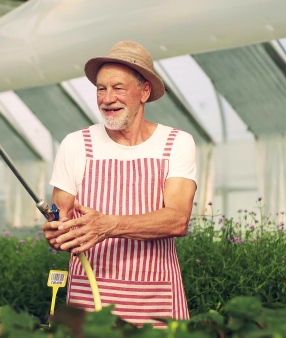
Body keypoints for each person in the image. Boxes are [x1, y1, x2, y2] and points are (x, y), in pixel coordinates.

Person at [42, 40, 197, 328]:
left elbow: (177, 219)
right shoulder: (76, 145)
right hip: (90, 301)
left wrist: (108, 225)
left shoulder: (175, 143)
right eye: (101, 88)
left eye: (118, 88)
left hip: (156, 301)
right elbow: (61, 221)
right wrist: (58, 234)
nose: (107, 98)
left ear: (144, 91)